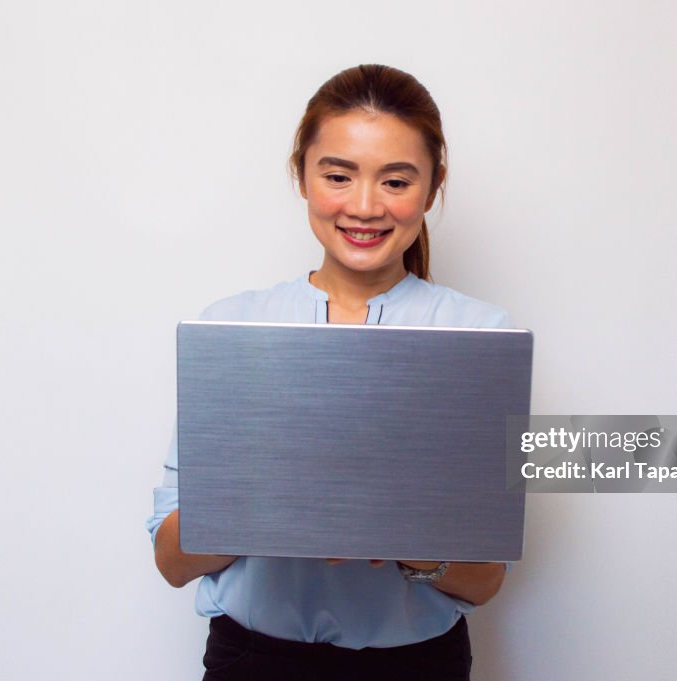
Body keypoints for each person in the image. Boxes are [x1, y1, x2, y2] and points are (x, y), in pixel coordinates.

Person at [146, 64, 513, 681]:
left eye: (395, 180)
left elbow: (486, 580)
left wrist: (401, 539)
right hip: (252, 663)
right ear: (302, 176)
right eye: (338, 176)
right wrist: (281, 503)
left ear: (432, 188)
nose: (364, 206)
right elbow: (172, 561)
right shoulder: (234, 327)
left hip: (417, 666)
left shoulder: (481, 336)